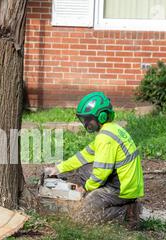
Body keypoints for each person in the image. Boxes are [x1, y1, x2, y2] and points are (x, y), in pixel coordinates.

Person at [44, 92, 144, 228]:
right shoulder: (112, 129)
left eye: (88, 120)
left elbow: (101, 172)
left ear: (101, 117)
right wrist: (59, 168)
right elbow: (84, 155)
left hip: (123, 189)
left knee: (83, 216)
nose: (85, 123)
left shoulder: (105, 138)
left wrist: (85, 188)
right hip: (125, 182)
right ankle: (116, 203)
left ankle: (128, 213)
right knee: (84, 168)